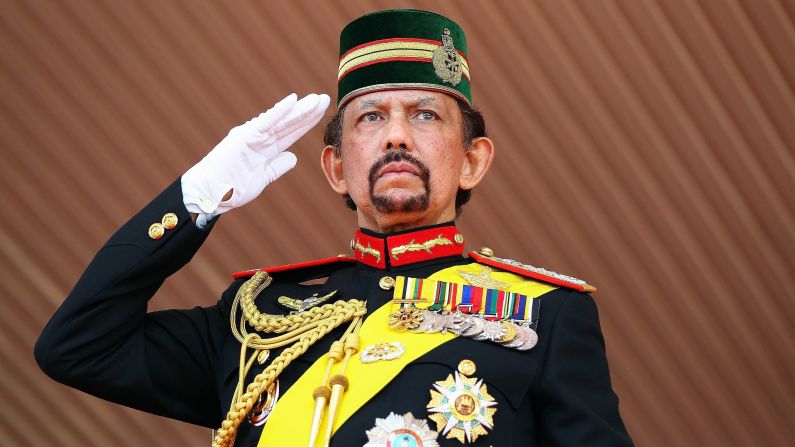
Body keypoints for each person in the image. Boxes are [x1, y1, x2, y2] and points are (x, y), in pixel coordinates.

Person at [35, 9, 633, 447]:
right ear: (337, 167)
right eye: (371, 117)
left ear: (473, 159)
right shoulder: (257, 317)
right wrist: (196, 199)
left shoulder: (542, 314)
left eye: (425, 115)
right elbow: (77, 347)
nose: (397, 135)